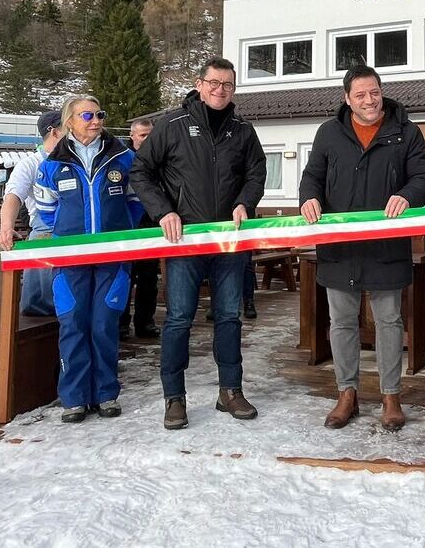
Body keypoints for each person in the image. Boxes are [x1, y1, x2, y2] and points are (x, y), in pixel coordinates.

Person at [131, 57, 267, 430]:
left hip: (228, 242)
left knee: (228, 316)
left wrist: (245, 202)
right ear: (199, 83)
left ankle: (230, 391)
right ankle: (174, 398)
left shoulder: (242, 129)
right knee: (178, 319)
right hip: (184, 240)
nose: (220, 90)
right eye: (214, 82)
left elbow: (257, 171)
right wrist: (163, 212)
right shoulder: (172, 125)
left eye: (228, 84)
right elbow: (140, 171)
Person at [298, 63, 425, 431]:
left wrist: (407, 195)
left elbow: (423, 177)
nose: (369, 100)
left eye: (374, 92)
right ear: (347, 99)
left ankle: (391, 396)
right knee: (341, 323)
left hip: (386, 246)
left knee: (389, 321)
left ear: (381, 91)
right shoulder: (329, 133)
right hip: (340, 247)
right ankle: (347, 394)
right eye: (360, 95)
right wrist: (309, 198)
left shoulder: (406, 132)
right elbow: (312, 177)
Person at [34, 96, 141, 423]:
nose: (96, 121)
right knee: (73, 321)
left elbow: (137, 202)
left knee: (104, 322)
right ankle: (75, 397)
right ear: (70, 121)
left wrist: (121, 231)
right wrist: (67, 236)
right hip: (70, 259)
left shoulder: (124, 157)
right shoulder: (52, 164)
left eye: (100, 115)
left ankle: (106, 393)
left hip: (113, 257)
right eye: (88, 115)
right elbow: (46, 210)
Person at [0, 110, 62, 316]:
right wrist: (6, 227)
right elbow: (14, 195)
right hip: (46, 229)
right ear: (55, 132)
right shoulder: (30, 163)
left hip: (76, 227)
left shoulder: (76, 159)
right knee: (41, 296)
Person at [121, 117, 161, 339]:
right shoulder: (122, 159)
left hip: (151, 222)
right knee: (125, 276)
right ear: (132, 136)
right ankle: (121, 324)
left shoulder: (158, 158)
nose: (147, 139)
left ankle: (145, 322)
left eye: (150, 135)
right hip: (127, 224)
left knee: (148, 277)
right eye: (142, 135)